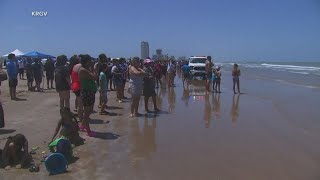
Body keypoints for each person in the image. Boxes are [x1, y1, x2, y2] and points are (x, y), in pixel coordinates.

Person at [78, 54, 97, 137]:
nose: (91, 62)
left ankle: (82, 126)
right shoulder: (83, 70)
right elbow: (95, 77)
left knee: (90, 110)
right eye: (90, 61)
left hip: (90, 92)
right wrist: (94, 68)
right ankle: (88, 131)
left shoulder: (86, 69)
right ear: (87, 61)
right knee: (87, 112)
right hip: (87, 92)